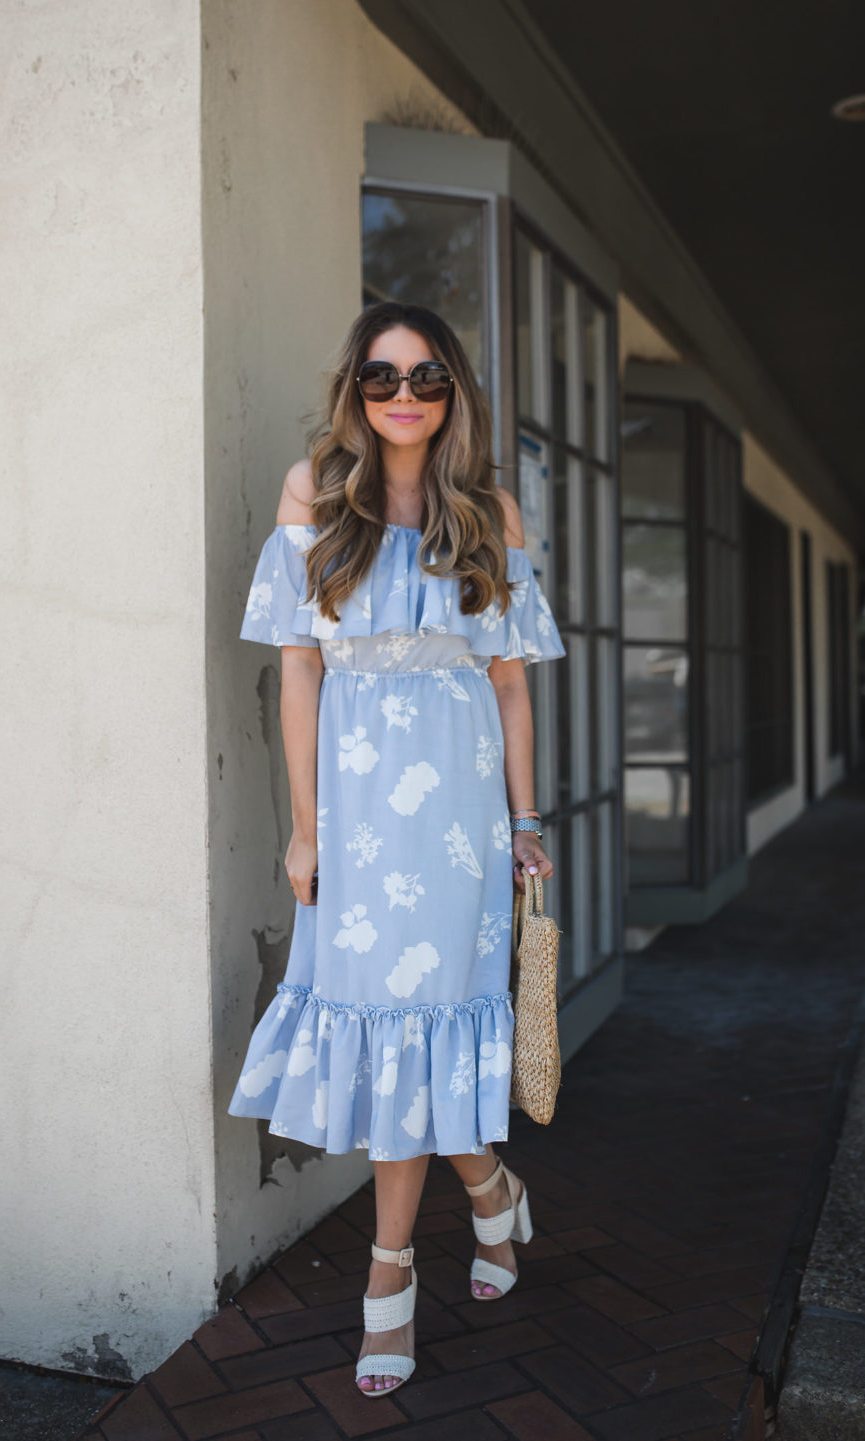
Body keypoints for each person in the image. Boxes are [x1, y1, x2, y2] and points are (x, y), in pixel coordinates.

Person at [229, 301, 565, 1396]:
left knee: (429, 1028)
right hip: (359, 816)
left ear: (452, 391)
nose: (403, 396)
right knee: (385, 1033)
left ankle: (388, 1280)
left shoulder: (490, 513)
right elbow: (297, 672)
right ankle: (488, 1192)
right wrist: (304, 823)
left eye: (425, 378)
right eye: (382, 378)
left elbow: (508, 686)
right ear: (356, 391)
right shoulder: (313, 496)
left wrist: (523, 819)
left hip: (459, 819)